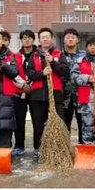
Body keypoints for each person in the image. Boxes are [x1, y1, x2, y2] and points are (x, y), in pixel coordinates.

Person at [26, 27, 70, 157]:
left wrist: (53, 63)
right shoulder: (33, 56)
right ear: (39, 40)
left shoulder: (58, 54)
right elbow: (29, 74)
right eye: (42, 37)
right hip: (37, 96)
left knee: (58, 123)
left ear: (52, 39)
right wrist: (42, 73)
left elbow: (65, 71)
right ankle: (39, 150)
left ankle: (58, 150)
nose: (45, 39)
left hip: (55, 95)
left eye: (47, 37)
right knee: (38, 124)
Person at [12, 30, 37, 156]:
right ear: (21, 40)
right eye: (24, 38)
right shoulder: (15, 56)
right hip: (19, 91)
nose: (27, 40)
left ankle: (38, 147)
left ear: (33, 39)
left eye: (29, 38)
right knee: (19, 121)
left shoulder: (39, 54)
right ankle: (19, 146)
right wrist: (23, 85)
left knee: (37, 121)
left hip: (36, 92)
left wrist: (31, 84)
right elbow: (12, 72)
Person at [62, 28, 85, 145]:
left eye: (73, 37)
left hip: (81, 94)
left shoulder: (84, 56)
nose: (70, 39)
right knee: (65, 122)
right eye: (68, 37)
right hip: (64, 95)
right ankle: (65, 148)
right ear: (64, 40)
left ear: (78, 40)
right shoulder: (58, 55)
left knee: (83, 122)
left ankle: (82, 148)